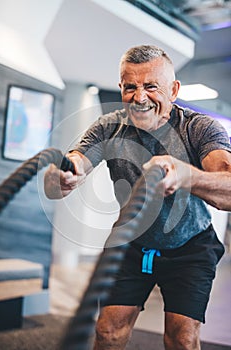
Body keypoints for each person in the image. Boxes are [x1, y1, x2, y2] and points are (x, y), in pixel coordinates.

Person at [44, 45, 231, 350]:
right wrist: (63, 177)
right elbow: (72, 169)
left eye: (150, 86)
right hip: (132, 241)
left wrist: (187, 176)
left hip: (191, 247)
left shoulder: (199, 129)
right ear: (121, 88)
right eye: (130, 87)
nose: (139, 97)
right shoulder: (108, 127)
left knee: (182, 338)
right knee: (107, 332)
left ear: (173, 89)